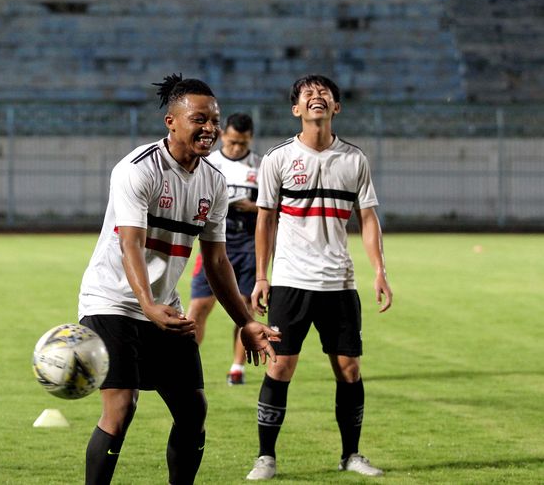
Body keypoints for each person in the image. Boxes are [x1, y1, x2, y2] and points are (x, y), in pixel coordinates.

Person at [77, 73, 281, 485]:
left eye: (214, 120)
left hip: (163, 307)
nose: (210, 129)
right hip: (111, 301)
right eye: (199, 119)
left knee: (193, 411)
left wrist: (245, 322)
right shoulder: (137, 170)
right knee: (121, 410)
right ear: (171, 121)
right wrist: (147, 305)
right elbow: (129, 245)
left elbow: (218, 261)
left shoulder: (213, 181)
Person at [245, 74, 393, 480]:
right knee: (280, 368)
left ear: (336, 108)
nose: (316, 97)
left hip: (340, 284)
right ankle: (266, 457)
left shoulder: (354, 160)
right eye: (307, 94)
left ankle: (351, 455)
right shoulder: (277, 158)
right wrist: (262, 276)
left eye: (324, 94)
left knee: (349, 370)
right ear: (296, 110)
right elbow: (265, 221)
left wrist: (379, 271)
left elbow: (367, 218)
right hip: (291, 282)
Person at [187, 112, 260, 385]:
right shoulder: (208, 162)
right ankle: (185, 364)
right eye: (232, 142)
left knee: (244, 307)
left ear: (250, 138)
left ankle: (237, 368)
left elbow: (271, 210)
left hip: (249, 247)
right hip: (214, 244)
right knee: (198, 308)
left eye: (242, 143)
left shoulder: (261, 167)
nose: (237, 148)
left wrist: (252, 207)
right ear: (223, 136)